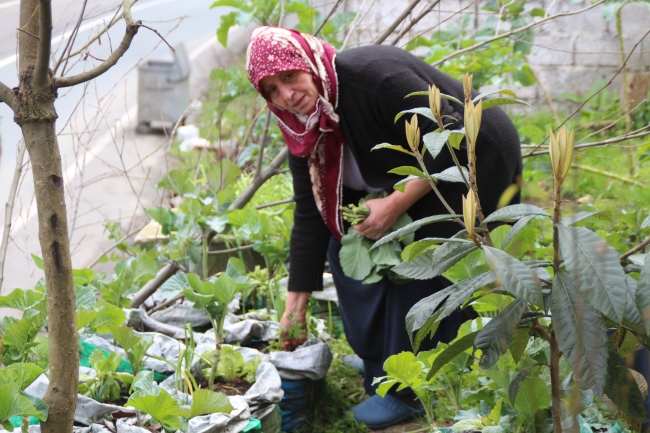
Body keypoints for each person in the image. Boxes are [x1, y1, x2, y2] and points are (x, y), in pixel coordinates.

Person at [245, 26, 522, 429]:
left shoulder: (371, 78)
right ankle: (381, 357)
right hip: (406, 175)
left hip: (477, 157)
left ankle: (407, 390)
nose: (287, 95)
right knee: (345, 245)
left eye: (290, 76)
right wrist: (294, 308)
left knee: (423, 260)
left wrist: (396, 203)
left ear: (309, 64)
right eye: (272, 89)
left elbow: (451, 140)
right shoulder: (303, 130)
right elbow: (312, 217)